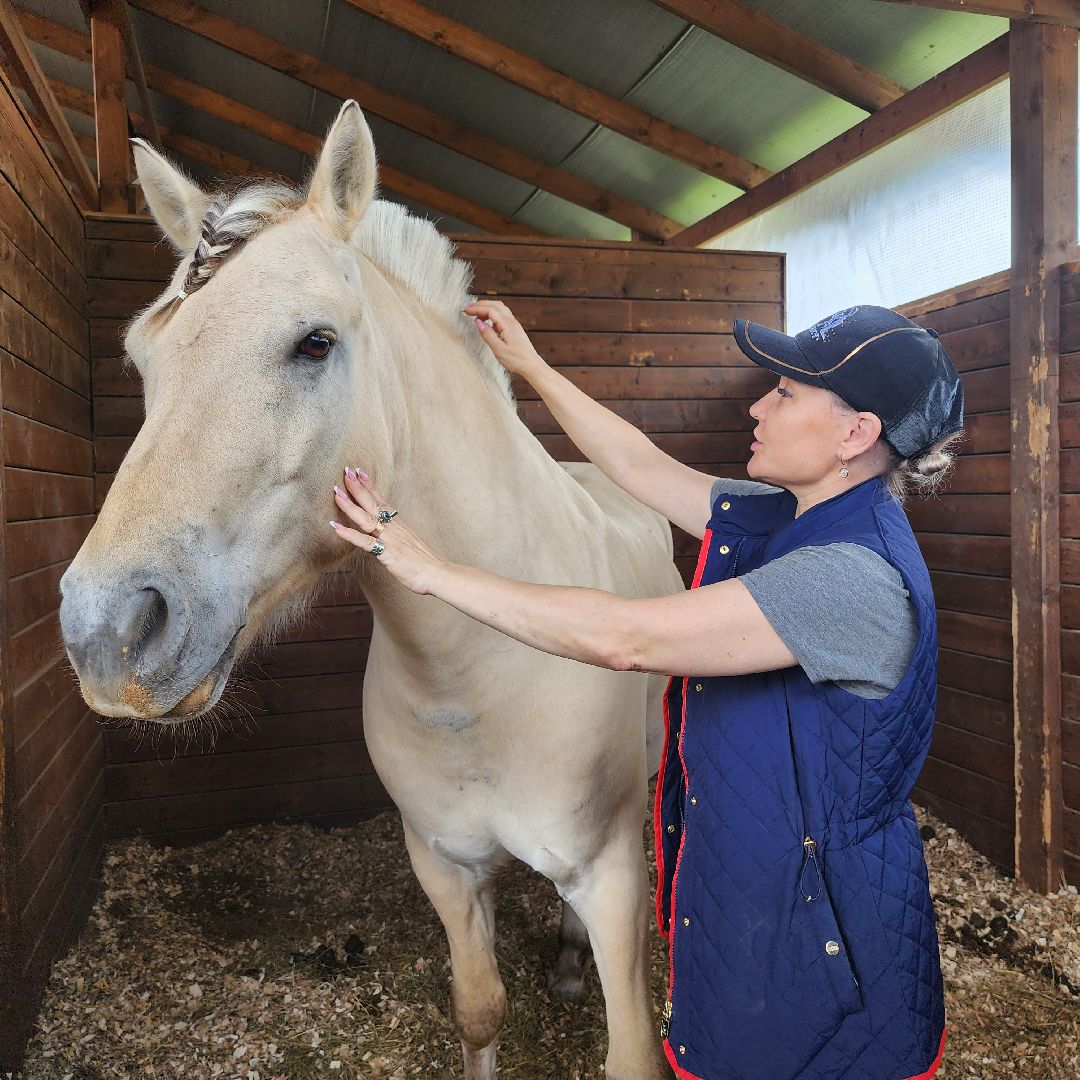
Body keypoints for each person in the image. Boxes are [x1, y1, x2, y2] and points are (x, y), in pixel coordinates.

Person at [328, 301, 962, 1080]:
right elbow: (638, 468)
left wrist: (432, 571)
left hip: (822, 936)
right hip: (771, 895)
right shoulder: (794, 517)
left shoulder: (850, 576)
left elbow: (626, 641)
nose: (756, 403)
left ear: (855, 435)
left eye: (787, 394)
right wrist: (529, 367)